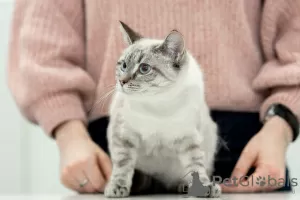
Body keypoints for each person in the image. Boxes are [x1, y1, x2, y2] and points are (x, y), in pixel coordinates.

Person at [7, 0, 300, 194]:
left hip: (240, 153)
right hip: (119, 156)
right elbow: (41, 41)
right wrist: (69, 134)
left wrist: (281, 124)